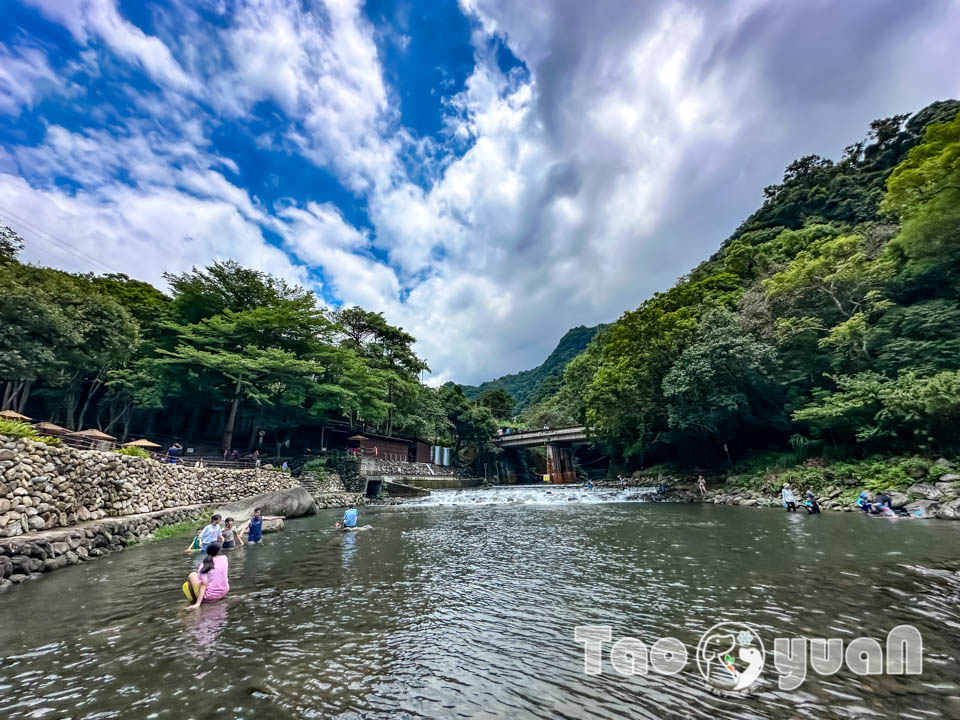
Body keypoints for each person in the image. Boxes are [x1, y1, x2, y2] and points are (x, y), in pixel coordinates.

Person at [184, 543, 229, 609]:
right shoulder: (224, 559)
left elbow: (203, 585)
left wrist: (198, 604)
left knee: (192, 575)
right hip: (224, 592)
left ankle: (194, 600)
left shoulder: (203, 566)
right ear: (219, 551)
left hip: (209, 596)